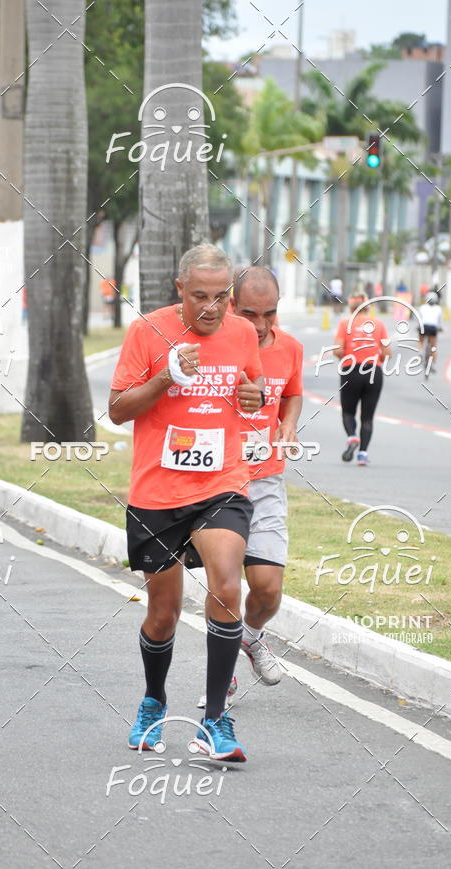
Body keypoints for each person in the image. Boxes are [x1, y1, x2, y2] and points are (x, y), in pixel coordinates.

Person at [109, 244, 264, 762]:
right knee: (163, 613)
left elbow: (254, 385)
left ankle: (215, 720)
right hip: (157, 493)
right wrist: (165, 376)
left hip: (222, 483)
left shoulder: (242, 332)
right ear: (180, 290)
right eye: (200, 296)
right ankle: (154, 701)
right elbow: (116, 410)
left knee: (226, 584)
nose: (211, 308)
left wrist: (255, 397)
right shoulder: (146, 332)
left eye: (222, 297)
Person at [191, 266, 303, 703]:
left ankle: (250, 636)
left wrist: (289, 425)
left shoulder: (290, 347)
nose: (260, 325)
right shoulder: (215, 344)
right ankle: (222, 680)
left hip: (267, 481)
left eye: (270, 314)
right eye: (250, 312)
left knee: (268, 589)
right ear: (231, 304)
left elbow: (292, 392)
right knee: (226, 586)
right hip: (218, 484)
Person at [334, 293, 391, 466]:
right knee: (367, 417)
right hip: (374, 371)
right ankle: (363, 454)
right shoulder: (379, 324)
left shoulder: (345, 323)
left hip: (351, 370)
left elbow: (337, 350)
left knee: (348, 412)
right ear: (368, 307)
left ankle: (352, 437)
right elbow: (388, 353)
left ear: (351, 307)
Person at [417, 291, 442, 373]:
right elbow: (439, 322)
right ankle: (433, 365)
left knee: (420, 341)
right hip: (433, 328)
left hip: (423, 326)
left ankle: (420, 351)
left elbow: (419, 318)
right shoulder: (438, 308)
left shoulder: (422, 307)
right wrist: (440, 328)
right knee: (433, 346)